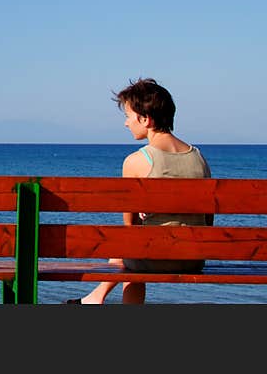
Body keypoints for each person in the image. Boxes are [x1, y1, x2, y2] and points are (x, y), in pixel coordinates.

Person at [65, 77, 212, 304]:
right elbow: (206, 219)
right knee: (133, 247)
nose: (126, 123)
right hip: (193, 257)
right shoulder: (199, 157)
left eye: (128, 117)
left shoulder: (136, 161)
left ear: (146, 119)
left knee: (130, 247)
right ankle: (93, 298)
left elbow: (129, 228)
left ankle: (95, 299)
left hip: (157, 258)